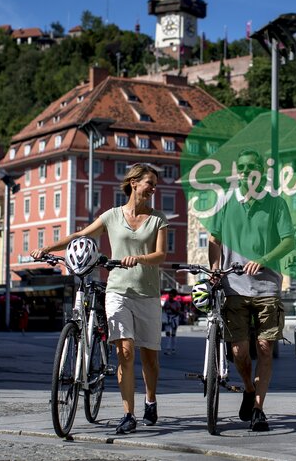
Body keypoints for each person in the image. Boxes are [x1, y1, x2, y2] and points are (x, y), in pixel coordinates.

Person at [31, 163, 168, 435]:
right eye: (149, 183)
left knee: (150, 358)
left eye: (154, 184)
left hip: (148, 294)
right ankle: (128, 414)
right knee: (125, 352)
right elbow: (80, 235)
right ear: (133, 183)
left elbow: (161, 255)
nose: (154, 188)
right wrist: (47, 247)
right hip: (117, 291)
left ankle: (150, 400)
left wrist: (139, 258)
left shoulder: (158, 219)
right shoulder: (112, 216)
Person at [208, 150, 294, 432]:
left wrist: (265, 259)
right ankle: (248, 387)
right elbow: (214, 238)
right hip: (234, 286)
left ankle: (258, 408)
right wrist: (215, 270)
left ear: (261, 172)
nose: (246, 172)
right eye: (241, 168)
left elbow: (288, 241)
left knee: (266, 347)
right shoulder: (224, 202)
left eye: (251, 168)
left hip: (267, 284)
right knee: (239, 350)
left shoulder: (276, 203)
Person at [161, 289, 182, 355]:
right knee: (167, 334)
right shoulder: (166, 302)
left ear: (174, 296)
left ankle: (173, 349)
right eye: (169, 295)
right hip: (168, 319)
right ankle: (168, 348)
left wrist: (171, 308)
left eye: (171, 295)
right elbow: (164, 309)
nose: (170, 297)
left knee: (173, 334)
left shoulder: (177, 303)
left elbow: (178, 312)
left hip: (174, 319)